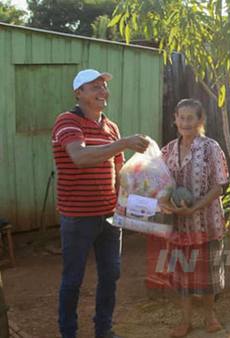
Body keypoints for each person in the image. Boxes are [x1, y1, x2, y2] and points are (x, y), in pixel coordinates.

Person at [52, 69, 150, 338]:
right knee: (73, 279)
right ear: (78, 93)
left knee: (111, 275)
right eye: (95, 87)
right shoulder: (67, 121)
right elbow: (80, 157)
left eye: (104, 86)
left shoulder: (111, 127)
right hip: (77, 218)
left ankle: (103, 330)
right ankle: (68, 332)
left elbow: (118, 172)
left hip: (109, 216)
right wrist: (124, 143)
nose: (102, 92)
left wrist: (129, 200)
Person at [159, 99, 229, 337]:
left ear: (200, 121)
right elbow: (159, 183)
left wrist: (195, 207)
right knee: (183, 276)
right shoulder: (167, 150)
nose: (186, 122)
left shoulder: (211, 147)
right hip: (178, 224)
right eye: (182, 117)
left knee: (207, 274)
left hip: (206, 222)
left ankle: (210, 316)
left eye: (191, 118)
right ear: (175, 119)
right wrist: (166, 203)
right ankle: (185, 320)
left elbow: (220, 186)